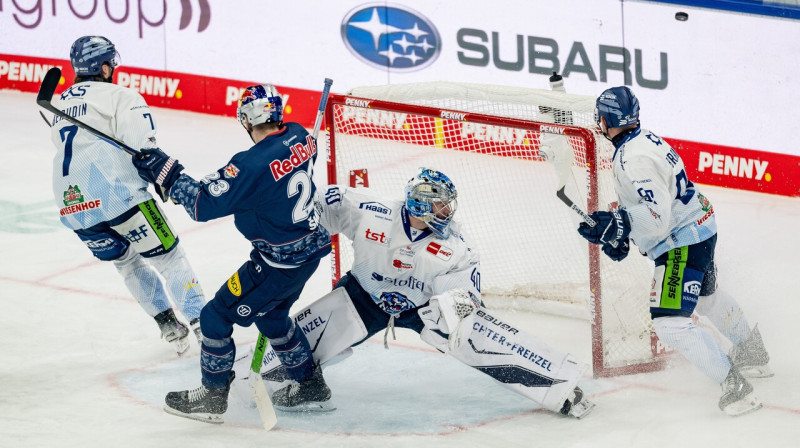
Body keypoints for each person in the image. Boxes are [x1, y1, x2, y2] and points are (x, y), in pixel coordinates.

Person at [254, 168, 595, 419]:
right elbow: (317, 208)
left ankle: (559, 385)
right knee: (291, 341)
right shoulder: (369, 210)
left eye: (448, 206)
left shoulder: (457, 247)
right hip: (362, 298)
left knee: (473, 333)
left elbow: (466, 296)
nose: (449, 212)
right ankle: (247, 378)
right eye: (442, 206)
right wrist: (292, 225)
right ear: (420, 207)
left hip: (421, 308)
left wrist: (456, 309)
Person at [131, 84, 332, 424]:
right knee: (271, 318)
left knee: (214, 317)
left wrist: (166, 172)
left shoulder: (250, 165)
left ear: (245, 119)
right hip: (310, 252)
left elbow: (201, 205)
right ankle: (310, 385)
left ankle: (212, 397)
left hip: (275, 265)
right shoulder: (300, 135)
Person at [578, 86, 772, 416]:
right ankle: (751, 351)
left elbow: (656, 216)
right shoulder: (642, 140)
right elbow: (651, 206)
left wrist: (619, 223)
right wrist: (621, 229)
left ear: (605, 120)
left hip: (684, 239)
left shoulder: (632, 158)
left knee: (669, 322)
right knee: (707, 297)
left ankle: (734, 386)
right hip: (701, 223)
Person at [49, 36, 206, 355]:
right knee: (169, 258)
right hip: (120, 198)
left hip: (74, 208)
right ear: (104, 66)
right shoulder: (121, 96)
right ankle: (206, 330)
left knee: (126, 262)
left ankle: (169, 328)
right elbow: (144, 150)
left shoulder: (58, 104)